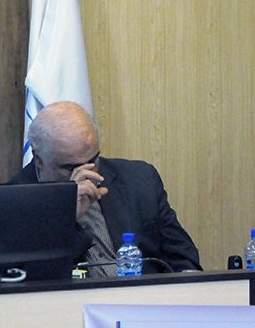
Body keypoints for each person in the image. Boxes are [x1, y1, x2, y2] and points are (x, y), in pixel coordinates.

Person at [10, 101, 201, 275]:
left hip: (142, 296)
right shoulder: (15, 201)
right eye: (71, 168)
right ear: (39, 159)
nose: (86, 174)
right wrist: (66, 217)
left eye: (93, 160)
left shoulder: (139, 179)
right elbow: (30, 280)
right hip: (72, 300)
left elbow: (184, 258)